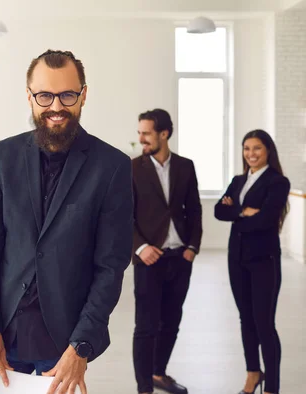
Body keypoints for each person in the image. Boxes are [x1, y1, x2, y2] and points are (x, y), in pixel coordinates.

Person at [0, 49, 133, 394]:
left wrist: (82, 347)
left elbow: (111, 265)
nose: (56, 107)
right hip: (2, 338)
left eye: (67, 95)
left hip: (65, 345)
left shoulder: (112, 166)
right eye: (44, 95)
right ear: (29, 96)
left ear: (83, 95)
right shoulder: (3, 156)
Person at [132, 109, 203, 394]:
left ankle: (158, 373)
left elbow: (194, 210)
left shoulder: (186, 166)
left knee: (171, 321)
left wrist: (193, 247)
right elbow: (122, 216)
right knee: (146, 327)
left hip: (180, 257)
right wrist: (140, 247)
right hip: (149, 259)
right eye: (139, 133)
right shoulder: (132, 168)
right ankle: (144, 387)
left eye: (146, 133)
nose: (140, 139)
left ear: (164, 134)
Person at [215, 129, 289, 394]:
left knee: (264, 323)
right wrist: (243, 212)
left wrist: (236, 215)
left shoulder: (278, 182)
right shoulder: (238, 181)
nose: (251, 154)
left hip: (264, 261)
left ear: (268, 150)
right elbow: (218, 211)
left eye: (257, 148)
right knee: (246, 319)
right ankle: (253, 374)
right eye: (247, 148)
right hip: (237, 259)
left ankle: (273, 387)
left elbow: (267, 219)